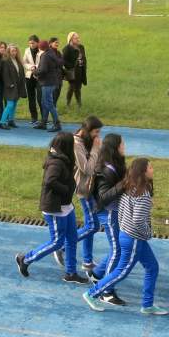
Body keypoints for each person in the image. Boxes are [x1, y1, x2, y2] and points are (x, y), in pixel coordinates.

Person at [83, 158, 168, 315]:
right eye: (150, 167)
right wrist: (148, 233)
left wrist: (125, 229)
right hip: (134, 238)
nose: (152, 169)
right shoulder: (143, 194)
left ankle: (147, 305)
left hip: (128, 235)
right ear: (143, 172)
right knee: (121, 272)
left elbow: (121, 213)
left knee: (152, 267)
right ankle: (92, 293)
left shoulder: (129, 187)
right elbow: (137, 220)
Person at [15, 132, 88, 283]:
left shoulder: (64, 159)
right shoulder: (56, 162)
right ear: (66, 146)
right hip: (55, 208)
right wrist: (67, 190)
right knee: (57, 242)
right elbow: (50, 181)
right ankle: (26, 259)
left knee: (72, 239)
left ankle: (71, 273)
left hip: (66, 206)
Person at [88, 133, 127, 306]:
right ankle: (106, 291)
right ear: (115, 147)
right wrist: (123, 184)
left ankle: (96, 274)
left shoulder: (116, 164)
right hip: (109, 213)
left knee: (116, 249)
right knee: (117, 250)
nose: (124, 146)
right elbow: (103, 197)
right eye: (122, 144)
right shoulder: (105, 169)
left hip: (115, 212)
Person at [72, 116, 103, 272]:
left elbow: (98, 163)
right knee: (92, 226)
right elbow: (87, 168)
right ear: (87, 130)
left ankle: (87, 260)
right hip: (84, 189)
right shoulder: (76, 143)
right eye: (96, 132)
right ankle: (65, 245)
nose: (98, 136)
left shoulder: (89, 141)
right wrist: (96, 149)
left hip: (93, 188)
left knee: (89, 226)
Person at [35, 37, 63, 132]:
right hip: (52, 81)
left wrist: (35, 72)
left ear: (41, 48)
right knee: (45, 102)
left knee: (49, 103)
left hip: (47, 82)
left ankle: (57, 123)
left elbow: (43, 70)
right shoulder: (51, 53)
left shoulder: (45, 55)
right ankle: (43, 122)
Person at [0, 44, 26, 129]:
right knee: (10, 104)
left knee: (14, 104)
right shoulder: (6, 61)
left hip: (18, 86)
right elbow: (5, 75)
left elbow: (21, 73)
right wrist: (9, 84)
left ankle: (11, 121)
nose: (14, 52)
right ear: (9, 52)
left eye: (15, 50)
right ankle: (2, 123)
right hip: (10, 87)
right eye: (12, 51)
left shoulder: (18, 61)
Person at [62, 32, 87, 107]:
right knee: (72, 87)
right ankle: (68, 103)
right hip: (72, 71)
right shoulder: (66, 49)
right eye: (76, 38)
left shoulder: (81, 47)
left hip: (80, 70)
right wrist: (71, 66)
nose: (78, 39)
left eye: (78, 38)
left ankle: (79, 104)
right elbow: (63, 61)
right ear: (71, 39)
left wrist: (83, 63)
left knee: (78, 87)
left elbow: (84, 57)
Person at [22, 35, 41, 125]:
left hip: (39, 77)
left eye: (33, 43)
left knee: (40, 98)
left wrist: (36, 67)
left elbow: (43, 62)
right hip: (29, 76)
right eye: (30, 43)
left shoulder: (42, 51)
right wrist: (31, 67)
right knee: (31, 98)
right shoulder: (27, 50)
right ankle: (34, 117)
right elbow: (24, 62)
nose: (31, 45)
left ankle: (44, 118)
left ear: (37, 43)